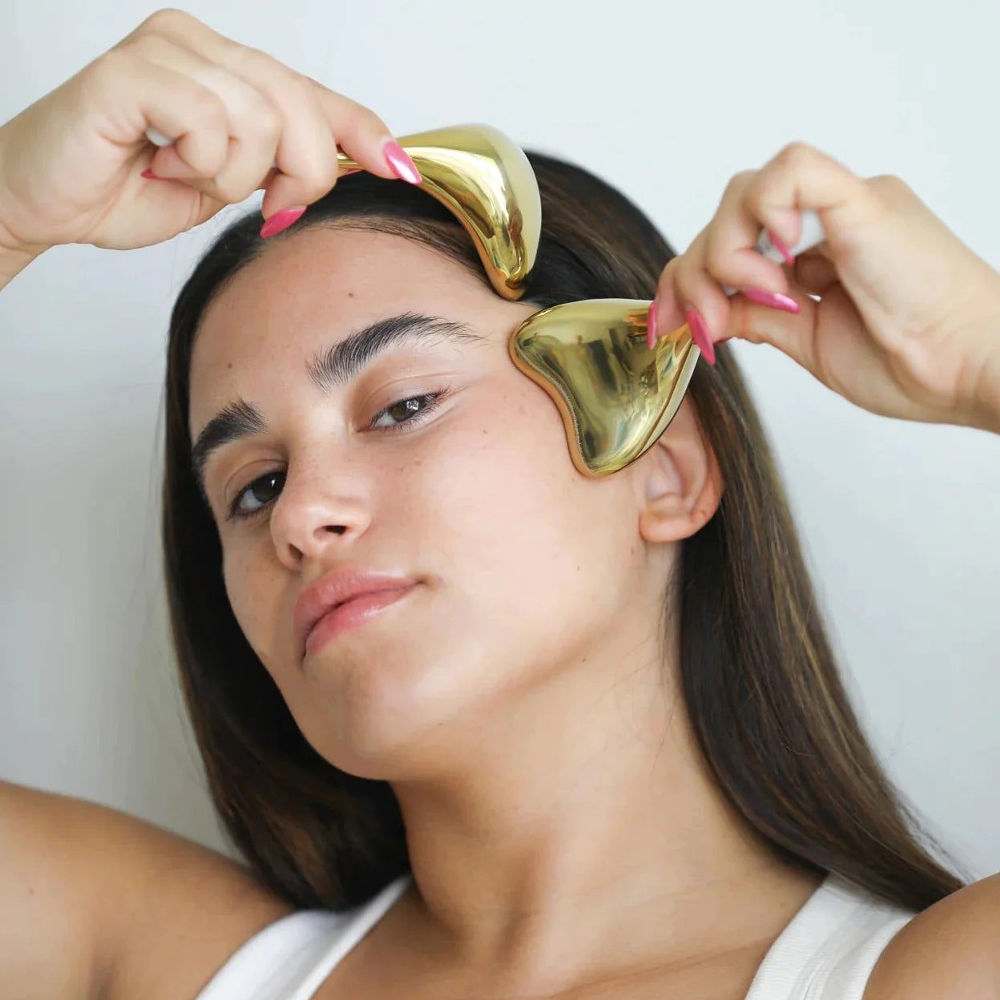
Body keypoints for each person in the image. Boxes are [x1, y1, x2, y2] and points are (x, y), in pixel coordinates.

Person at [2, 9, 999, 1000]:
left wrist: (979, 357)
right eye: (254, 487)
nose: (301, 517)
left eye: (402, 406)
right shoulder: (167, 963)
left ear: (665, 465)